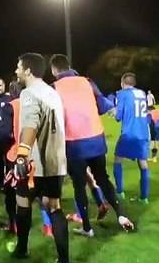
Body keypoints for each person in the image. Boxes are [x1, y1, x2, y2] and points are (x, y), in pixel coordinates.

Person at [50, 54, 135, 235]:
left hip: (74, 143)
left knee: (79, 186)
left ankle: (87, 227)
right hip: (96, 139)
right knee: (102, 178)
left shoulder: (54, 87)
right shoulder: (87, 82)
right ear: (69, 66)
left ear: (54, 70)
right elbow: (103, 106)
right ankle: (121, 214)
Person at [6, 53, 72, 263]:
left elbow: (30, 125)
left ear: (27, 70)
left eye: (18, 67)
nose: (16, 71)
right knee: (54, 207)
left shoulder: (29, 93)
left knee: (22, 202)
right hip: (56, 161)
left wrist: (22, 155)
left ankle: (22, 249)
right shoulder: (52, 92)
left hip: (35, 163)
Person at [0, 79, 54, 237]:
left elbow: (4, 133)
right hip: (39, 153)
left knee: (13, 192)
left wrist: (2, 145)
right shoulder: (40, 103)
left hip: (17, 155)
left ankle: (14, 224)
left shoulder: (11, 106)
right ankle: (48, 226)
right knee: (42, 191)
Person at [112, 73, 151, 204]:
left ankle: (119, 191)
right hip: (143, 133)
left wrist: (114, 112)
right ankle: (144, 197)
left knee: (118, 159)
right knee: (143, 164)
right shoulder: (142, 93)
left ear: (123, 83)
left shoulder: (122, 94)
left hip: (129, 133)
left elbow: (118, 117)